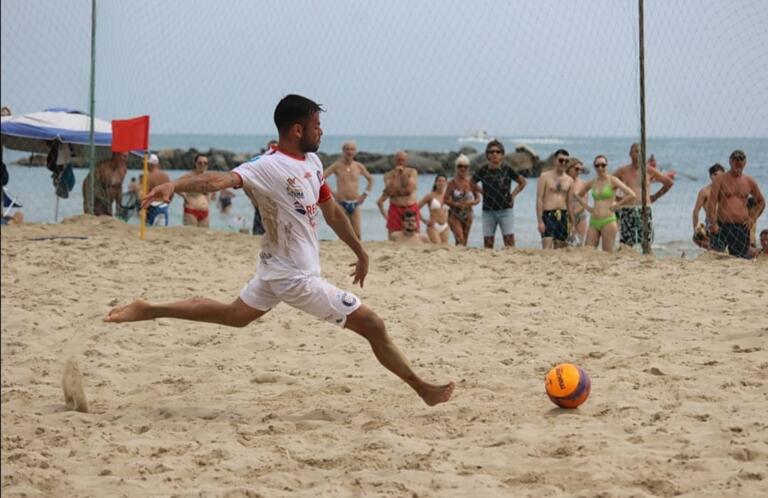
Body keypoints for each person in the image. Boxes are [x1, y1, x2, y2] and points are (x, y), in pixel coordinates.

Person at [105, 94, 453, 407]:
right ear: (298, 129)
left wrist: (359, 250)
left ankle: (149, 309)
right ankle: (423, 389)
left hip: (272, 271)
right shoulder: (267, 166)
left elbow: (331, 211)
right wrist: (174, 184)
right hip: (295, 278)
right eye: (317, 125)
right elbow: (218, 180)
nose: (322, 131)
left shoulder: (313, 164)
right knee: (373, 324)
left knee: (233, 316)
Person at [613, 143, 674, 248]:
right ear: (630, 154)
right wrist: (616, 198)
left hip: (644, 209)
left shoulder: (649, 170)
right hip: (628, 209)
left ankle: (648, 262)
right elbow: (608, 184)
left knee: (646, 244)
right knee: (626, 245)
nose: (639, 154)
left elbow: (669, 183)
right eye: (636, 151)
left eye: (641, 152)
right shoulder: (622, 171)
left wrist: (654, 196)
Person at [707, 150, 765, 259]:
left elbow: (761, 202)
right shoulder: (720, 179)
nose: (738, 161)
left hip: (741, 226)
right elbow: (712, 202)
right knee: (716, 257)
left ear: (745, 163)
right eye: (735, 159)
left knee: (740, 258)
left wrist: (752, 219)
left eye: (740, 159)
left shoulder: (749, 181)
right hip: (721, 225)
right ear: (730, 161)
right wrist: (713, 223)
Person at [572, 155, 636, 252]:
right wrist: (587, 207)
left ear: (606, 165)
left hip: (608, 221)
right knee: (587, 251)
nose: (600, 168)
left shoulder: (613, 180)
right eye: (597, 166)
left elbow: (632, 195)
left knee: (607, 253)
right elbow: (578, 195)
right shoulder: (593, 182)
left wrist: (618, 205)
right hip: (594, 221)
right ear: (594, 167)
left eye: (603, 165)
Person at [472, 140, 527, 248]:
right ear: (487, 155)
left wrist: (513, 195)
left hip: (505, 209)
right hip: (488, 210)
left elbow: (522, 182)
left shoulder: (507, 169)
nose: (495, 154)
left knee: (509, 242)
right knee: (488, 243)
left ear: (502, 155)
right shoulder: (483, 170)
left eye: (498, 152)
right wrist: (482, 192)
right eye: (491, 152)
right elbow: (471, 182)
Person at [323, 141, 374, 239]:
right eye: (347, 149)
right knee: (343, 233)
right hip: (341, 203)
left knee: (357, 234)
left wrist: (364, 195)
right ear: (343, 151)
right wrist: (332, 193)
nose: (349, 152)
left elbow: (370, 180)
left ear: (355, 152)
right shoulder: (337, 166)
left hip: (355, 203)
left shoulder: (358, 166)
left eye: (352, 149)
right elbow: (322, 178)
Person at [536, 149, 574, 249]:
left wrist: (573, 224)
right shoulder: (544, 176)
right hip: (548, 215)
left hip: (563, 216)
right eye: (561, 160)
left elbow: (570, 203)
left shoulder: (569, 180)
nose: (563, 163)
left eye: (566, 161)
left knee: (561, 248)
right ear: (554, 160)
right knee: (547, 247)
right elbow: (539, 199)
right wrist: (540, 221)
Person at [377, 151, 420, 236]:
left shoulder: (412, 172)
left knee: (414, 234)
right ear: (394, 161)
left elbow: (408, 190)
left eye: (403, 160)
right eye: (398, 160)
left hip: (410, 206)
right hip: (395, 207)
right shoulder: (388, 175)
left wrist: (402, 175)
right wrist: (396, 176)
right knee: (394, 234)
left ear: (406, 161)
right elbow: (390, 191)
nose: (400, 162)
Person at [445, 154, 481, 246]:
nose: (463, 169)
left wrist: (471, 202)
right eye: (460, 166)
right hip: (454, 214)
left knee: (464, 241)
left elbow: (478, 198)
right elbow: (445, 200)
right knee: (460, 238)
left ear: (468, 168)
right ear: (456, 168)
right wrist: (456, 204)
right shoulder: (451, 183)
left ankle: (457, 258)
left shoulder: (472, 182)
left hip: (468, 214)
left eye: (465, 167)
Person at [83, 152, 129, 216]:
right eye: (123, 156)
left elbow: (118, 187)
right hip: (94, 187)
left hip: (107, 196)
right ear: (115, 155)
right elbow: (90, 184)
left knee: (108, 213)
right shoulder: (103, 166)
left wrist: (119, 205)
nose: (125, 160)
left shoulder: (123, 169)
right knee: (93, 211)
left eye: (126, 157)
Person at [691, 163, 725, 249]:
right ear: (710, 176)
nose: (718, 178)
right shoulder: (705, 191)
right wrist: (695, 229)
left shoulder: (726, 190)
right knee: (715, 249)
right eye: (715, 175)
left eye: (721, 176)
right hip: (711, 223)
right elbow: (696, 212)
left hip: (726, 223)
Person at [178, 154, 215, 227]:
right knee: (191, 235)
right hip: (191, 211)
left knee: (204, 236)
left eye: (205, 163)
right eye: (200, 163)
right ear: (195, 164)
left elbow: (213, 191)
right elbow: (175, 186)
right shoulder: (189, 176)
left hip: (205, 212)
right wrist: (185, 197)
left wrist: (209, 199)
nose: (202, 165)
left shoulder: (209, 177)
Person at [250, 140, 277, 235]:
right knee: (259, 236)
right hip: (262, 207)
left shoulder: (281, 168)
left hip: (277, 208)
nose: (271, 152)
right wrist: (253, 200)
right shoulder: (260, 167)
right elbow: (245, 183)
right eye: (270, 149)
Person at [418, 174, 450, 244]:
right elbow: (416, 208)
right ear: (435, 183)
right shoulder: (430, 195)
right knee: (437, 246)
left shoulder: (448, 196)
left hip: (445, 226)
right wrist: (424, 220)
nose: (441, 183)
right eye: (439, 181)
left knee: (445, 247)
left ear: (446, 183)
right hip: (433, 225)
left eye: (443, 181)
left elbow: (452, 211)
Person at [145, 154, 172, 226]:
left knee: (150, 231)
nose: (146, 166)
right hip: (164, 207)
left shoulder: (149, 177)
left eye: (147, 164)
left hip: (153, 207)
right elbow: (171, 192)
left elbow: (146, 194)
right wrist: (167, 203)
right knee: (162, 232)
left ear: (150, 164)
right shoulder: (166, 176)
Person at [566, 158, 588, 245]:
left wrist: (574, 213)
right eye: (576, 169)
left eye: (581, 169)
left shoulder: (583, 183)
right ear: (569, 168)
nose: (579, 172)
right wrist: (570, 216)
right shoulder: (564, 182)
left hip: (580, 214)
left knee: (580, 242)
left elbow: (585, 202)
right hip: (567, 215)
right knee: (567, 243)